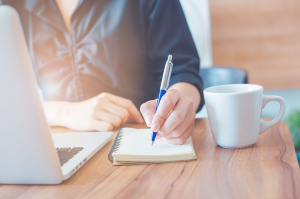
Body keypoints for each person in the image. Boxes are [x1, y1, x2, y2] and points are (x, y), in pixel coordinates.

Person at [1, 0, 204, 144]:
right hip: (54, 145)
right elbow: (7, 101)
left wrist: (180, 103)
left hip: (138, 139)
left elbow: (182, 71)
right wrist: (63, 112)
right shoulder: (10, 6)